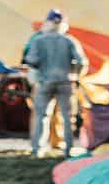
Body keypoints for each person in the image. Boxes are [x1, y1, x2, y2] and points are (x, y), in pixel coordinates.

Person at [22, 10, 87, 158]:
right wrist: (75, 75)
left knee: (41, 116)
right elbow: (82, 62)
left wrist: (39, 72)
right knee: (67, 117)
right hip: (65, 82)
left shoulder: (38, 40)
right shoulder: (69, 41)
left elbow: (31, 60)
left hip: (45, 82)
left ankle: (37, 149)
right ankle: (68, 149)